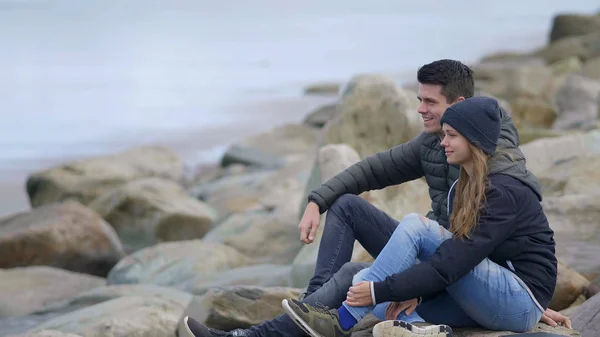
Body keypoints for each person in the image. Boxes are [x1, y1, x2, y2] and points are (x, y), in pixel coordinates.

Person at [180, 60, 571, 337]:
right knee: (350, 250)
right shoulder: (438, 152)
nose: (420, 110)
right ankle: (293, 320)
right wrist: (318, 199)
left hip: (470, 271)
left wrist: (528, 298)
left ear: (461, 110)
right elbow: (372, 170)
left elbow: (486, 249)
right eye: (419, 100)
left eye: (429, 103)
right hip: (456, 270)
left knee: (409, 234)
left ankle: (331, 316)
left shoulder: (498, 175)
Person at [281, 96, 558, 337]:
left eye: (451, 135)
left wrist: (381, 290)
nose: (443, 143)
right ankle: (419, 329)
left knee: (414, 230)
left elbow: (455, 260)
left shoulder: (504, 191)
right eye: (443, 135)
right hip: (487, 296)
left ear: (473, 140)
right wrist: (411, 290)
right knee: (362, 281)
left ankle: (341, 321)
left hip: (519, 300)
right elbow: (454, 264)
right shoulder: (462, 187)